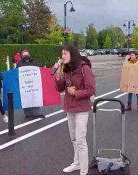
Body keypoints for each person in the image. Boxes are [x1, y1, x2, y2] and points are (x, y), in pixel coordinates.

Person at [54, 45, 95, 175]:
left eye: (65, 53)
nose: (63, 56)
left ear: (72, 54)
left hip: (82, 108)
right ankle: (76, 163)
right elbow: (60, 88)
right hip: (70, 107)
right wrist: (58, 74)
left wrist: (76, 93)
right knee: (73, 138)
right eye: (62, 54)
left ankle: (83, 171)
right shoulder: (66, 69)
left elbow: (91, 89)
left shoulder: (84, 68)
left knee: (81, 139)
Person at [16, 49, 45, 118]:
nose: (26, 56)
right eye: (24, 55)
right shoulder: (19, 63)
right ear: (22, 56)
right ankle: (28, 113)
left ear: (29, 55)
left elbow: (40, 68)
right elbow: (17, 72)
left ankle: (36, 113)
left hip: (34, 83)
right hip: (24, 84)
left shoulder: (35, 61)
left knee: (35, 97)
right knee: (25, 98)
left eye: (27, 55)